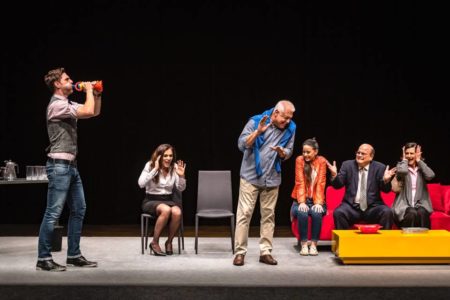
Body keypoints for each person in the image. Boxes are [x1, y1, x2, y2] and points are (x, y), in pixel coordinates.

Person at [37, 67, 102, 271]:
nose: (72, 80)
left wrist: (96, 94)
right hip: (59, 166)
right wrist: (89, 88)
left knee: (79, 209)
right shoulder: (56, 105)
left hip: (71, 166)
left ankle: (73, 255)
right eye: (67, 79)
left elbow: (94, 111)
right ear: (57, 84)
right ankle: (43, 259)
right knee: (53, 213)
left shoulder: (67, 103)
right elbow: (88, 110)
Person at [233, 100, 296, 266]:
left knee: (268, 216)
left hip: (272, 178)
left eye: (290, 118)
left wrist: (284, 153)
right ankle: (240, 252)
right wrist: (258, 133)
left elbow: (289, 150)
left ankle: (265, 252)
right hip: (251, 177)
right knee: (244, 214)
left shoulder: (291, 128)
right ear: (275, 113)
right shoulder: (256, 122)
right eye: (285, 118)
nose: (288, 121)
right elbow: (241, 145)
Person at [327, 143, 395, 230]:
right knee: (339, 212)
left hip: (373, 207)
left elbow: (386, 190)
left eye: (363, 153)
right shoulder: (347, 165)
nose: (359, 155)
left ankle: (382, 242)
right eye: (358, 153)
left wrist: (386, 180)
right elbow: (338, 185)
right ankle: (345, 243)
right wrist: (334, 175)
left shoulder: (379, 167)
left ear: (371, 157)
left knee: (387, 212)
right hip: (351, 207)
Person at [138, 144, 186, 256]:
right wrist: (154, 170)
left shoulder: (174, 167)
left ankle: (169, 242)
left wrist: (182, 176)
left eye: (170, 156)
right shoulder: (150, 165)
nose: (168, 158)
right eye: (165, 156)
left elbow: (181, 188)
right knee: (166, 210)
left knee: (177, 212)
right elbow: (141, 184)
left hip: (168, 200)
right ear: (159, 156)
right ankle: (154, 242)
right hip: (151, 200)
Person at [290, 138, 327, 256]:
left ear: (315, 151)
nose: (305, 154)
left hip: (316, 200)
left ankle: (314, 245)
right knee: (302, 212)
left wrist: (318, 203)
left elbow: (321, 183)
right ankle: (304, 244)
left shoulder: (321, 161)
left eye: (308, 152)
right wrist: (301, 202)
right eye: (303, 152)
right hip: (299, 200)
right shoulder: (299, 160)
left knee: (316, 213)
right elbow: (299, 182)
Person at [392, 143, 435, 228]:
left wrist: (419, 161)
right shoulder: (401, 167)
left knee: (422, 212)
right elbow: (403, 172)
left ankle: (426, 240)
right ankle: (408, 240)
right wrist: (404, 160)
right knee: (411, 212)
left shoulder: (422, 169)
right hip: (404, 205)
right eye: (407, 153)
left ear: (417, 154)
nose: (409, 156)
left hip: (420, 204)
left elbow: (430, 176)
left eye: (411, 153)